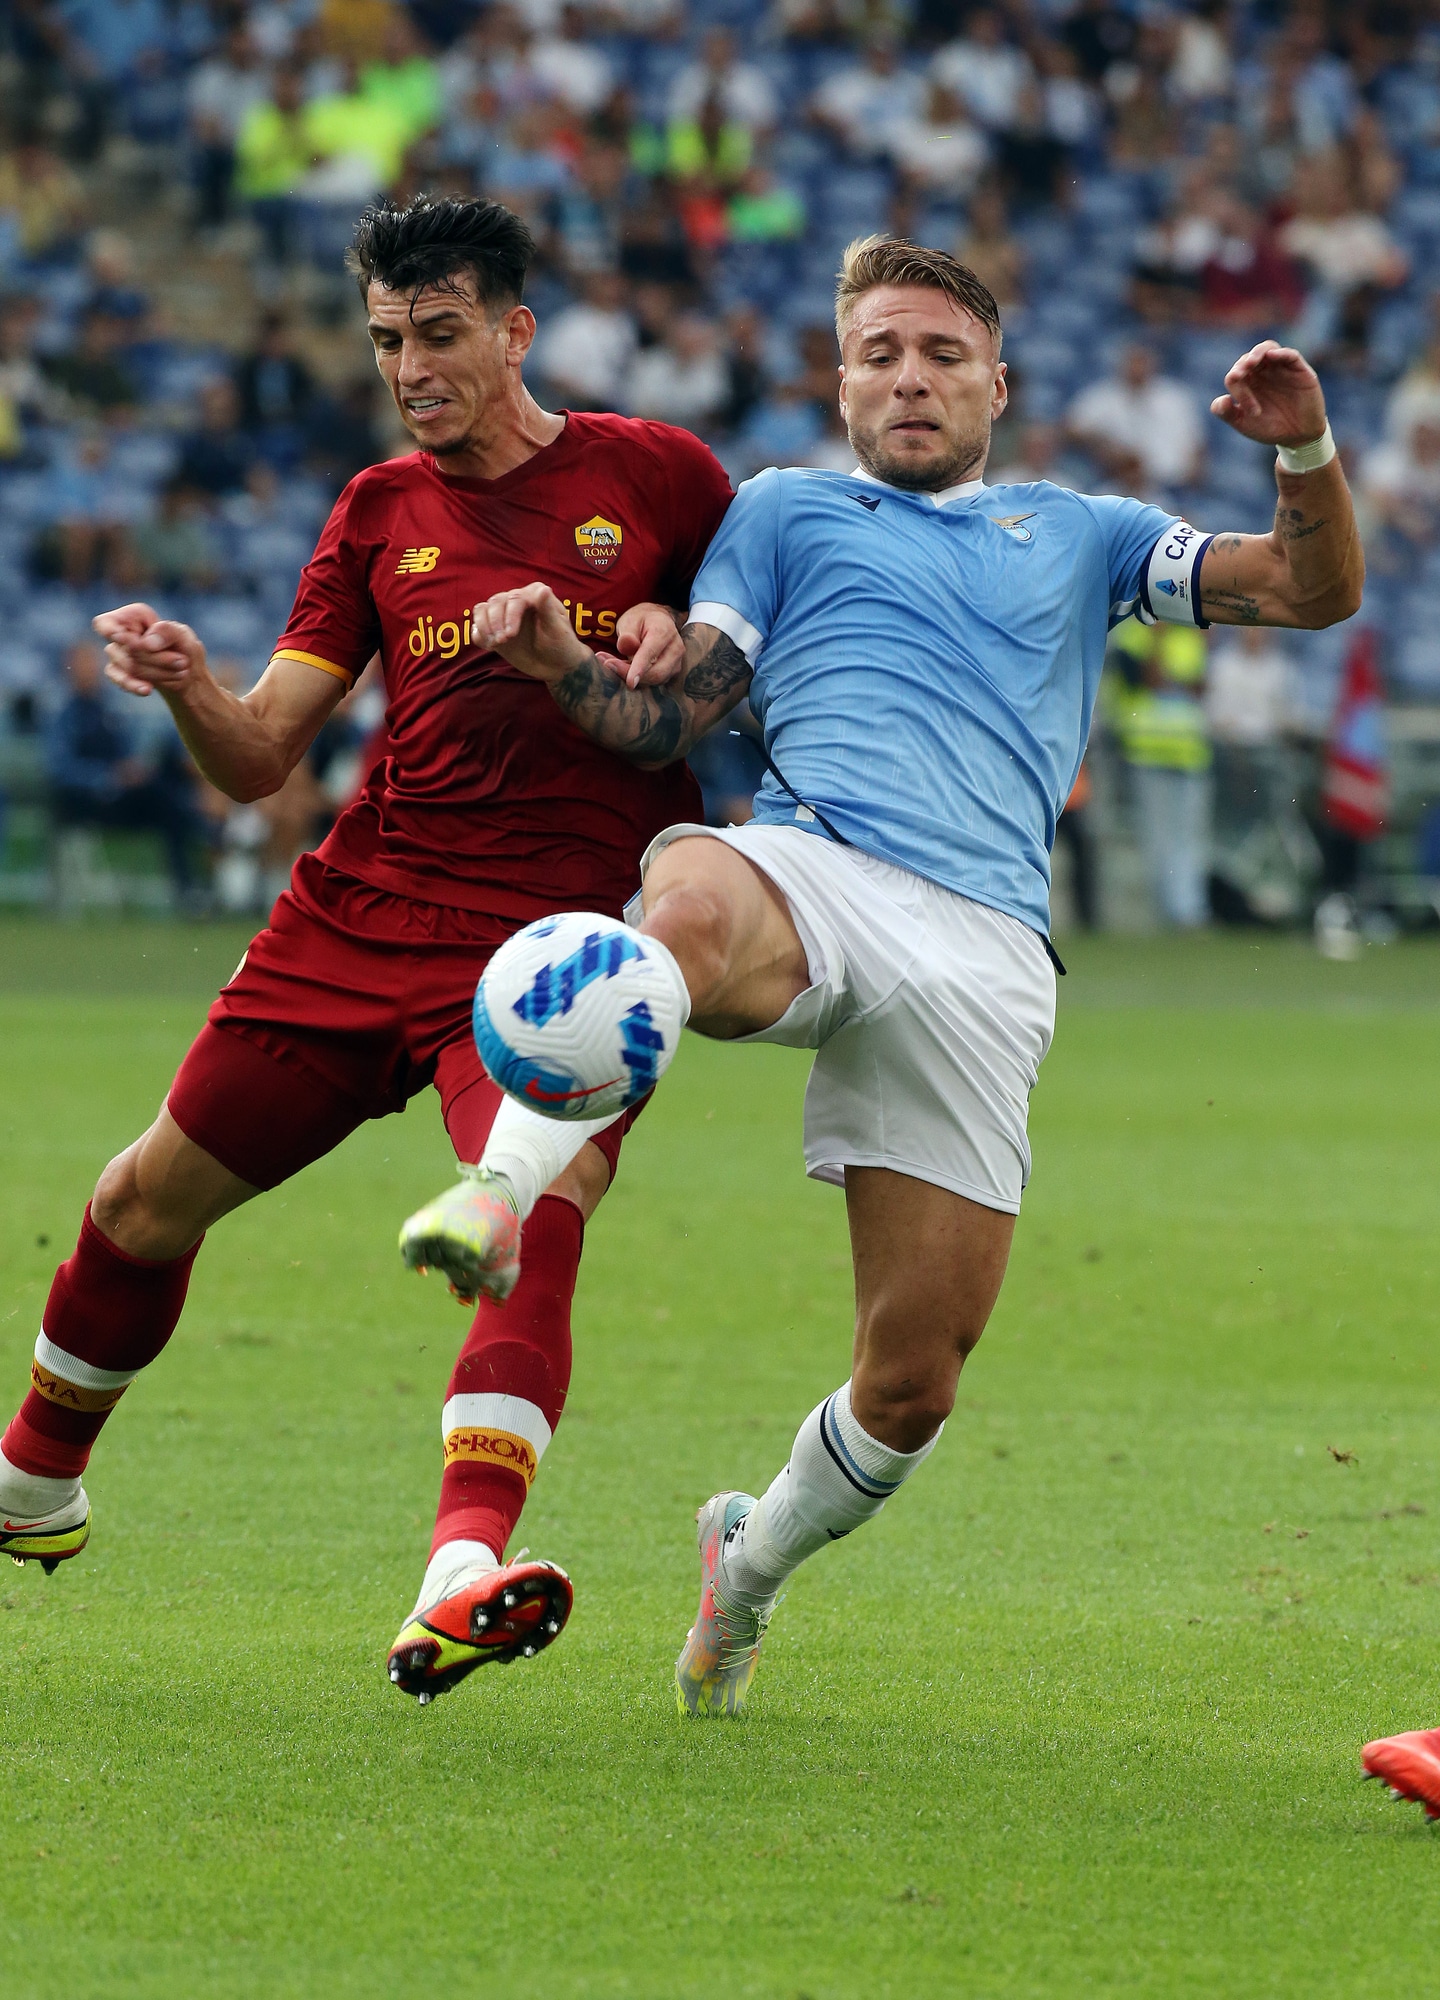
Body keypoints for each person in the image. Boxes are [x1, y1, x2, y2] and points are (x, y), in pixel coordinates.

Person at [411, 235, 1363, 1718]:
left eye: (940, 355)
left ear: (999, 384)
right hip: (818, 865)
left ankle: (746, 1570)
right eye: (878, 356)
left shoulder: (1086, 531)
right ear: (843, 385)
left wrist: (1302, 447)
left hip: (985, 949)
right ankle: (498, 1189)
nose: (909, 379)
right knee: (686, 898)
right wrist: (564, 669)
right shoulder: (783, 512)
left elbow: (1311, 589)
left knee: (911, 1384)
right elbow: (669, 723)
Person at [0, 196, 733, 1713]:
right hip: (361, 916)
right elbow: (261, 755)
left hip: (556, 963)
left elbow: (746, 642)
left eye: (440, 333)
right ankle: (29, 1484)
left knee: (533, 1216)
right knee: (137, 1202)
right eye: (390, 338)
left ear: (516, 331)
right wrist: (191, 683)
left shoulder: (660, 476)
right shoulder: (377, 509)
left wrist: (671, 617)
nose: (410, 367)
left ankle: (458, 1572)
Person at [46, 640, 206, 905]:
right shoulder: (64, 716)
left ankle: (189, 890)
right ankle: (201, 871)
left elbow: (130, 752)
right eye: (82, 664)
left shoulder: (110, 710)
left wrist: (133, 770)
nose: (89, 670)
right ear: (69, 669)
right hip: (86, 802)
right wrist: (107, 776)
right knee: (165, 797)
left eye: (91, 663)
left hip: (123, 798)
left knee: (169, 802)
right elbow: (60, 769)